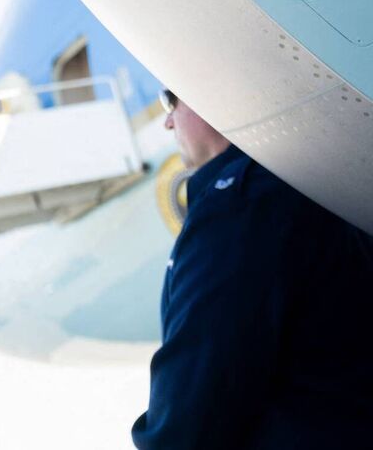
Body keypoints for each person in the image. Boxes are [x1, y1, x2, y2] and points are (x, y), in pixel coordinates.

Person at [132, 89, 373, 449]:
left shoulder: (237, 207)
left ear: (206, 95)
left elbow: (192, 410)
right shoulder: (314, 184)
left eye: (172, 102)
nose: (168, 122)